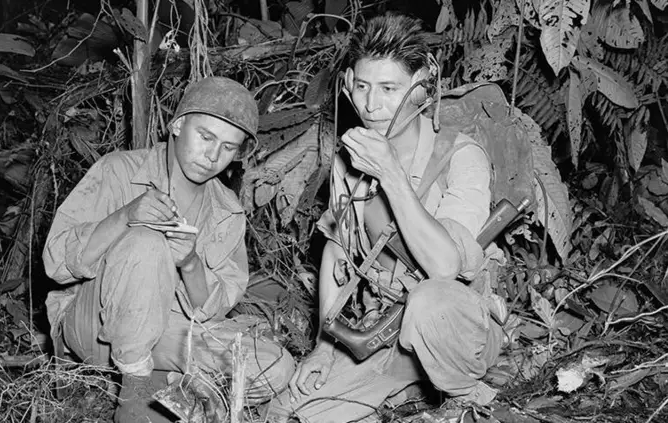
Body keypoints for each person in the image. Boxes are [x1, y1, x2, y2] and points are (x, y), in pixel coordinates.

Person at [267, 14, 506, 422]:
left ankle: (465, 398)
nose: (371, 104)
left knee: (432, 302)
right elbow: (337, 253)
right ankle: (405, 386)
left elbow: (445, 267)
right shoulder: (351, 160)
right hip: (384, 329)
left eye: (389, 89)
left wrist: (392, 174)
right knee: (292, 409)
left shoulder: (459, 157)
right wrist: (325, 347)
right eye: (362, 87)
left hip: (455, 330)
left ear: (421, 87)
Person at [42, 76, 295, 422]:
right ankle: (134, 395)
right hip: (93, 327)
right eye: (205, 137)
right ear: (177, 125)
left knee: (275, 366)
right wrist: (125, 216)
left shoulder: (226, 210)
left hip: (166, 334)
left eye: (227, 147)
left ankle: (170, 384)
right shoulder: (119, 171)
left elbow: (214, 311)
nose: (212, 155)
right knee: (146, 242)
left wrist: (190, 263)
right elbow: (56, 262)